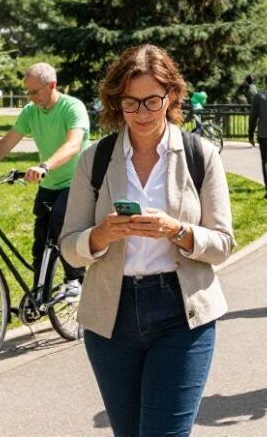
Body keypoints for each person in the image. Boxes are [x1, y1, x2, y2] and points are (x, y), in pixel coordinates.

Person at [60, 44, 234, 436]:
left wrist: (178, 230)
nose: (141, 113)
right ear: (115, 102)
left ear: (171, 96)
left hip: (182, 313)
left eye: (152, 101)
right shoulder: (97, 158)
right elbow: (68, 244)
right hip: (111, 316)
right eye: (130, 103)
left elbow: (223, 243)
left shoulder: (198, 153)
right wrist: (100, 235)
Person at [0, 63, 90, 285]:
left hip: (76, 182)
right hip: (49, 184)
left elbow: (73, 145)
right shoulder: (31, 112)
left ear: (52, 85)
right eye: (28, 91)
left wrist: (44, 166)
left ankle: (74, 281)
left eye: (34, 91)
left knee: (61, 225)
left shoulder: (72, 108)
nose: (30, 97)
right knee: (40, 245)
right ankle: (40, 294)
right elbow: (4, 145)